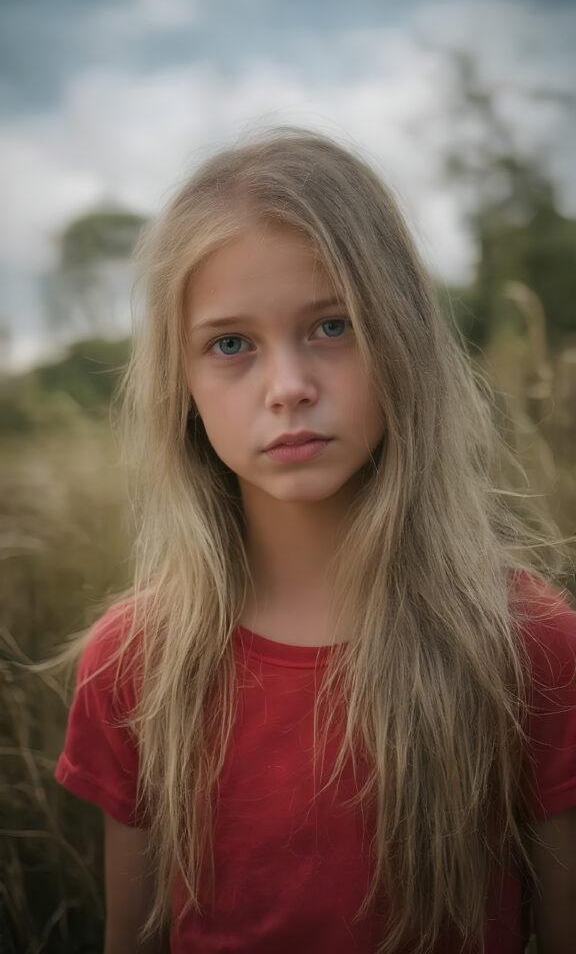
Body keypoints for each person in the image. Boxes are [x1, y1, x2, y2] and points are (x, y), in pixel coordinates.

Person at [55, 129, 576, 954]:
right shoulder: (133, 663)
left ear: (401, 338)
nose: (289, 387)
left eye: (333, 326)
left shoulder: (529, 644)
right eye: (231, 344)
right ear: (180, 384)